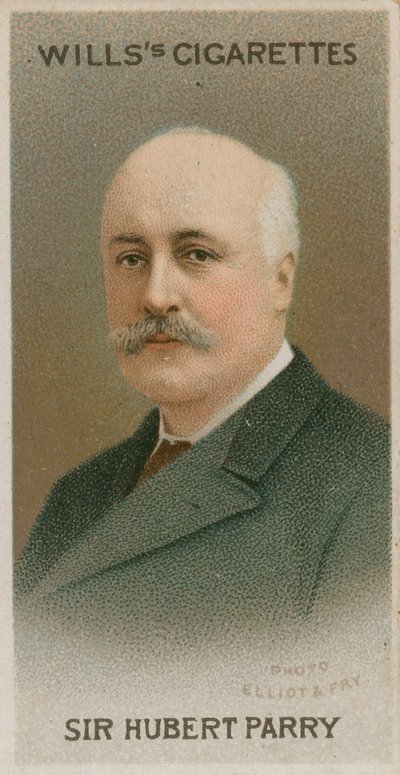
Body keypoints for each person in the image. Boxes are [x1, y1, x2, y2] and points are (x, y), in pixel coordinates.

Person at [14, 128, 390, 673]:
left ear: (280, 282)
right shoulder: (77, 497)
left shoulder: (374, 481)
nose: (155, 296)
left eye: (197, 254)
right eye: (130, 259)